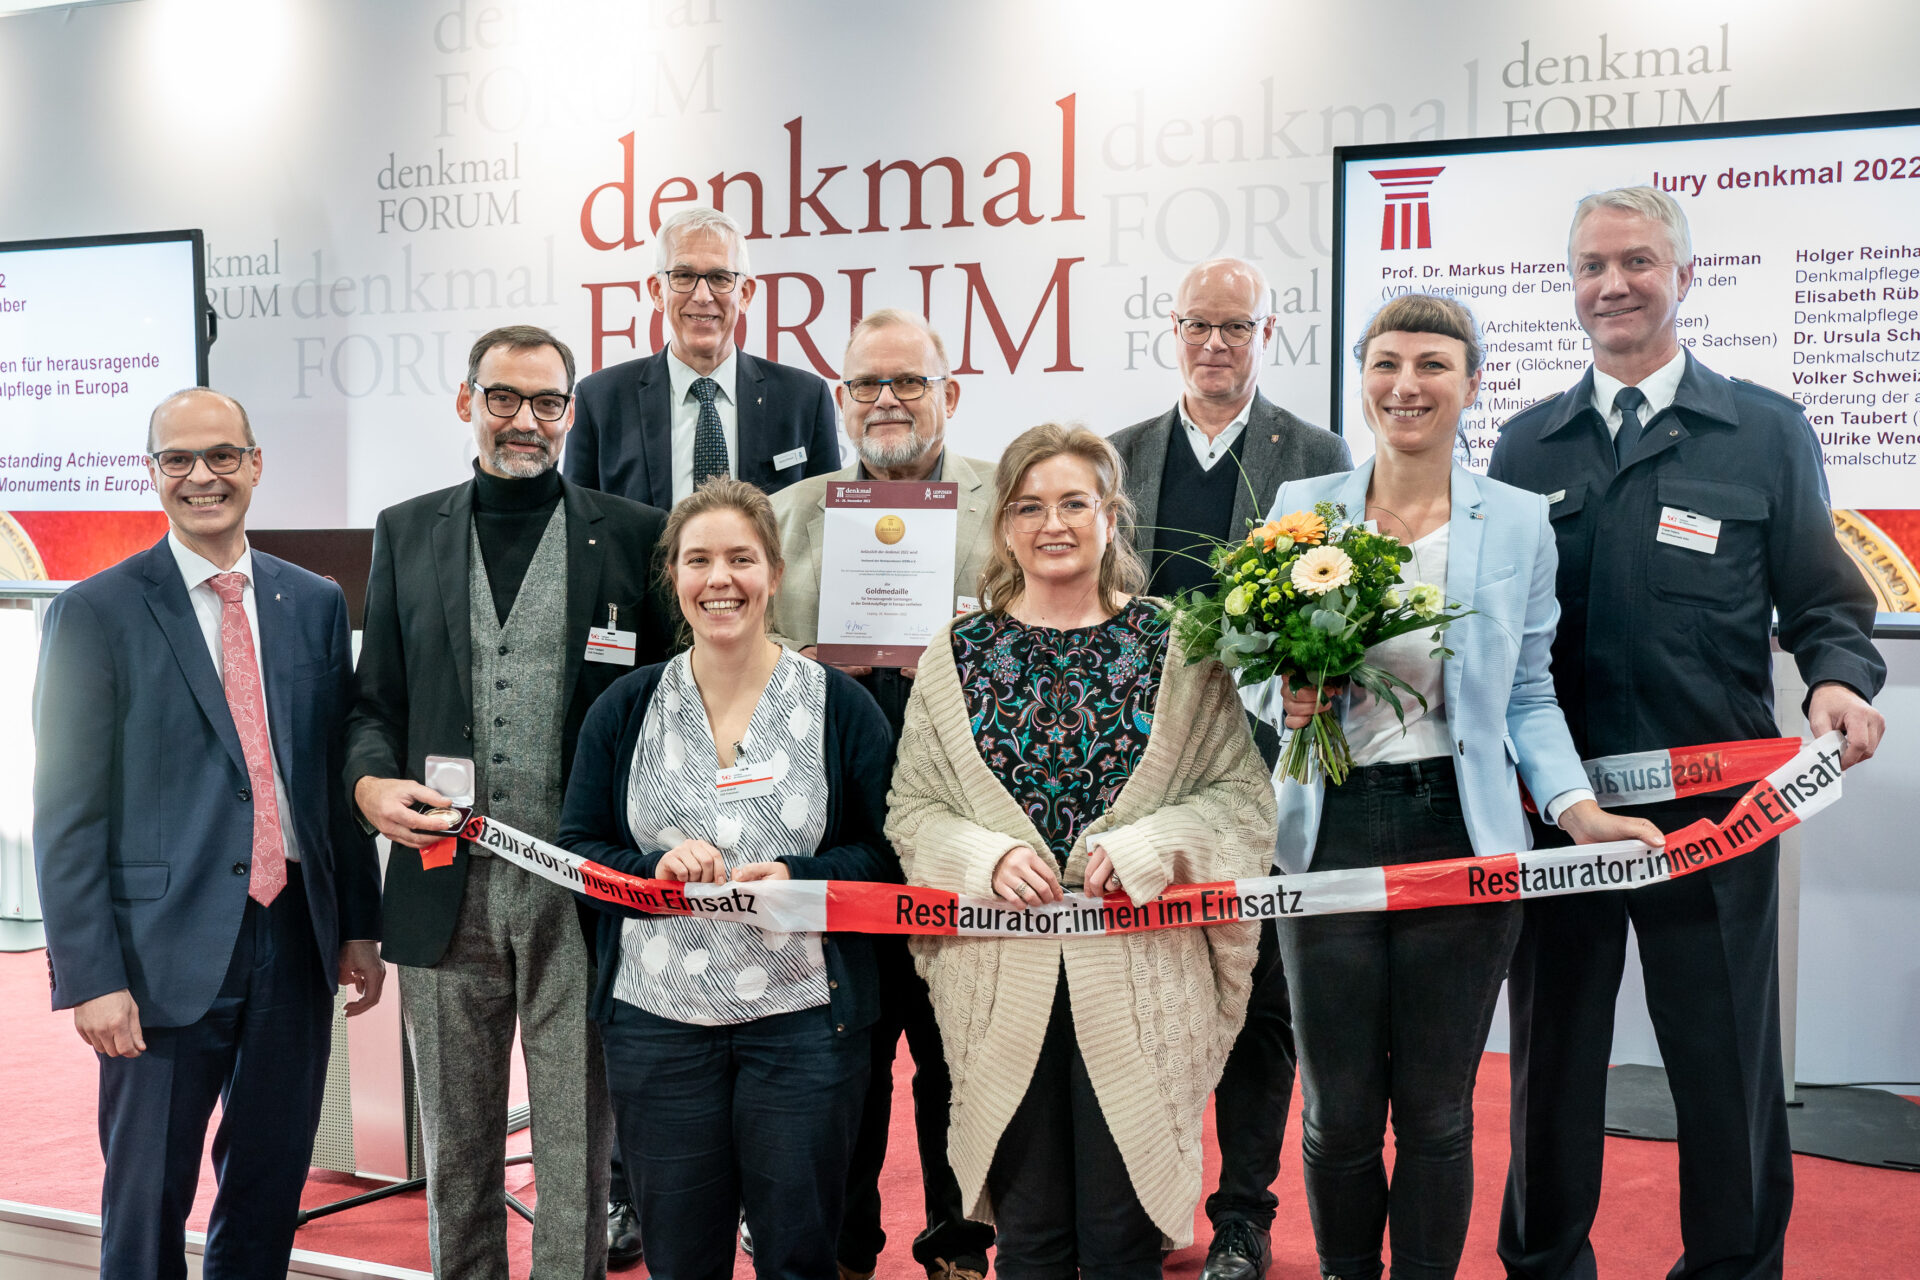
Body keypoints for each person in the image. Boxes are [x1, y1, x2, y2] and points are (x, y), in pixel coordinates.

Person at [1491, 187, 1887, 1280]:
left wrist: (1837, 685)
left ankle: (1732, 1267)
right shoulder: (1526, 444)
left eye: (1637, 261)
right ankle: (1546, 1264)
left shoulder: (1764, 430)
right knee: (1551, 1064)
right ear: (1569, 285)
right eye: (1590, 265)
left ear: (1684, 274)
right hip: (1561, 813)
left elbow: (1825, 605)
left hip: (1718, 817)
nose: (1612, 284)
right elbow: (1489, 638)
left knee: (1725, 1068)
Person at [1267, 293, 1663, 1280]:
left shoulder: (1520, 521)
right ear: (1362, 378)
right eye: (1388, 363)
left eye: (1434, 365)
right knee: (1339, 1108)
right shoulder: (1298, 509)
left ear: (1472, 382)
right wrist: (1283, 692)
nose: (1408, 384)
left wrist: (1575, 809)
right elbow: (1249, 664)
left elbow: (1530, 693)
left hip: (1463, 830)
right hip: (1328, 827)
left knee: (1439, 1111)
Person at [888, 424, 1278, 1279]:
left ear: (1112, 516)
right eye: (1028, 506)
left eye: (1074, 503)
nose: (1051, 523)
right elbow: (913, 809)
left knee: (1119, 1238)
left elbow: (1242, 803)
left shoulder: (1180, 648)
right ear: (1003, 525)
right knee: (1030, 1241)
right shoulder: (956, 655)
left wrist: (1155, 840)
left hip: (1140, 970)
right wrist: (982, 856)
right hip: (1002, 977)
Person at [33, 388, 384, 1279]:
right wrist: (90, 976)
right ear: (151, 474)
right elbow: (65, 811)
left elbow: (327, 773)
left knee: (269, 1185)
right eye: (179, 459)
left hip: (292, 942)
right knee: (147, 1198)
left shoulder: (309, 602)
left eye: (222, 456)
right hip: (158, 955)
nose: (203, 477)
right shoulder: (96, 612)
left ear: (256, 465)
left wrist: (356, 925)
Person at [346, 325, 671, 1280]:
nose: (524, 422)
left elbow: (664, 709)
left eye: (546, 403)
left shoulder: (637, 535)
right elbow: (376, 707)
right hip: (443, 881)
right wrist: (370, 787)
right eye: (503, 399)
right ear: (466, 402)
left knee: (574, 1134)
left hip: (579, 887)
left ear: (570, 414)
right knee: (456, 1141)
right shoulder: (407, 530)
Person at [556, 477, 899, 1280]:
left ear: (774, 573)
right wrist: (652, 869)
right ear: (673, 576)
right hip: (656, 1023)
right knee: (680, 1260)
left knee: (799, 1255)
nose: (721, 580)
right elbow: (579, 851)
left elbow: (888, 857)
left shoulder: (841, 707)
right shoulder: (625, 708)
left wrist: (798, 874)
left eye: (741, 559)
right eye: (699, 560)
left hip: (807, 1026)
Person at [1111, 255, 1352, 1280]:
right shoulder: (1117, 457)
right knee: (1148, 993)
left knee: (1260, 1001)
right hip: (1145, 775)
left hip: (1269, 773)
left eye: (1237, 326)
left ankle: (1243, 1216)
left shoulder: (1321, 453)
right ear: (1172, 330)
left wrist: (1318, 684)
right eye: (1198, 325)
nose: (1217, 343)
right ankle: (1157, 1199)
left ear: (1268, 334)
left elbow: (1343, 606)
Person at [767, 308, 997, 1280]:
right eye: (867, 384)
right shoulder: (790, 514)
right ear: (840, 399)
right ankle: (844, 1250)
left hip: (965, 839)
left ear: (952, 391)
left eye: (910, 380)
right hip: (841, 838)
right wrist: (802, 660)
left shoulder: (1011, 502)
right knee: (843, 1063)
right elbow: (745, 668)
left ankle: (959, 1244)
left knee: (958, 1060)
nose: (889, 400)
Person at [566, 204, 841, 508]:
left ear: (745, 293)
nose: (702, 295)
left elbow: (821, 526)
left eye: (720, 278)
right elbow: (578, 525)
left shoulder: (804, 398)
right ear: (658, 291)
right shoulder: (599, 400)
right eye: (683, 276)